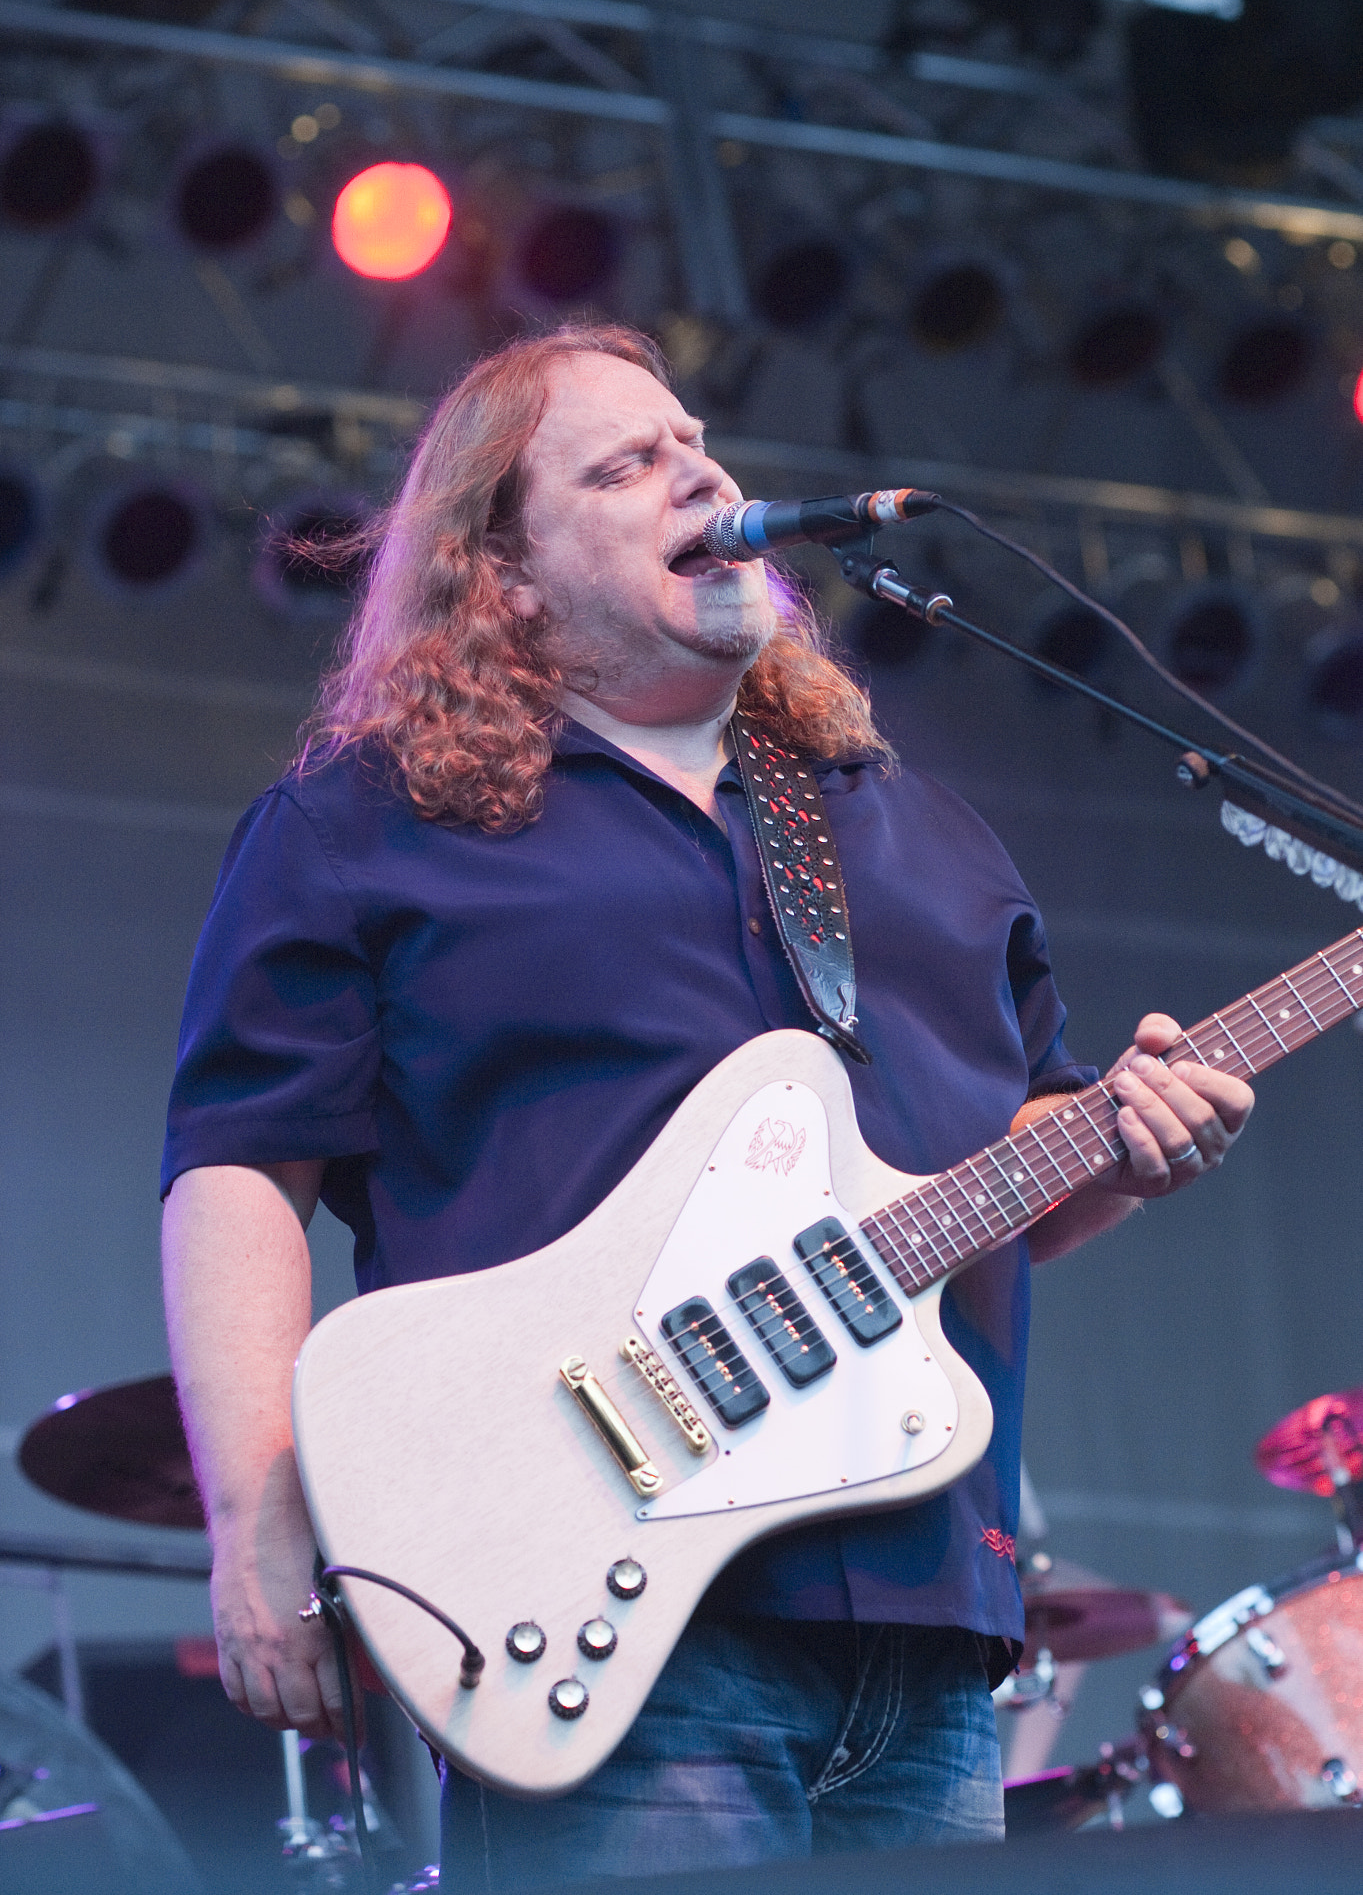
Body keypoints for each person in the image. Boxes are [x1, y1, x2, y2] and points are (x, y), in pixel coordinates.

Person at [160, 323, 1252, 1887]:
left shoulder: (914, 830)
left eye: (695, 438)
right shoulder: (365, 827)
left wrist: (1128, 1152)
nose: (703, 471)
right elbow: (238, 1175)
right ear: (508, 573)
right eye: (629, 462)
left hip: (931, 1616)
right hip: (603, 1610)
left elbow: (1004, 1179)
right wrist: (258, 1526)